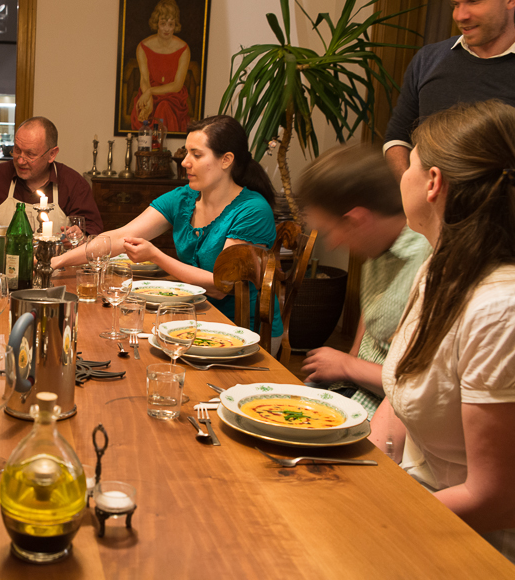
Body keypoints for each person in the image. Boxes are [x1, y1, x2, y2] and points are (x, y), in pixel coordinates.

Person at [370, 99, 515, 561]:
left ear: (433, 183)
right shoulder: (440, 263)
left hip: (477, 543)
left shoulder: (499, 310)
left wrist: (378, 522)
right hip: (418, 499)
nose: (402, 177)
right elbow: (400, 388)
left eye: (408, 163)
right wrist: (366, 470)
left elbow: (496, 498)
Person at [52, 115, 283, 344]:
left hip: (242, 332)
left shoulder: (252, 210)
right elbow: (121, 236)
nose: (184, 162)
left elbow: (220, 286)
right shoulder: (184, 198)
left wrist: (155, 256)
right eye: (187, 152)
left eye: (197, 154)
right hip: (196, 320)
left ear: (226, 160)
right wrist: (57, 262)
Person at [297, 144, 431, 419]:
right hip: (351, 393)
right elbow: (371, 321)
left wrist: (347, 365)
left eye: (331, 231)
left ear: (357, 220)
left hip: (384, 416)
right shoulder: (377, 247)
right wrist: (349, 362)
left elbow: (421, 391)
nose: (333, 244)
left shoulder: (429, 263)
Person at [383, 0, 515, 179]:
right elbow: (397, 138)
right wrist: (409, 190)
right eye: (455, 4)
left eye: (474, 1)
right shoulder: (428, 59)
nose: (460, 15)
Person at [0, 116, 103, 235]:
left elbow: (93, 233)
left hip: (58, 267)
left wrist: (80, 236)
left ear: (52, 154)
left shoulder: (73, 184)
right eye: (17, 150)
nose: (20, 160)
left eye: (30, 154)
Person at [130, 0, 192, 132]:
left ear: (175, 24)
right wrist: (149, 97)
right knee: (148, 109)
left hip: (173, 97)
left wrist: (150, 92)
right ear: (156, 22)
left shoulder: (184, 49)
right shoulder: (143, 46)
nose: (167, 29)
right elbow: (144, 79)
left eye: (171, 24)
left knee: (164, 107)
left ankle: (161, 147)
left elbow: (177, 85)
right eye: (163, 23)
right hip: (148, 95)